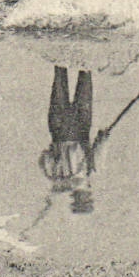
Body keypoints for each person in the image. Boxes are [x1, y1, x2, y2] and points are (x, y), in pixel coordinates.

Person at [38, 65, 103, 215]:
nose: (86, 194)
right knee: (63, 77)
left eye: (84, 197)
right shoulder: (59, 178)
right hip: (67, 128)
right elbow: (44, 156)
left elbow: (101, 140)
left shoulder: (86, 173)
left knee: (82, 75)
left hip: (68, 127)